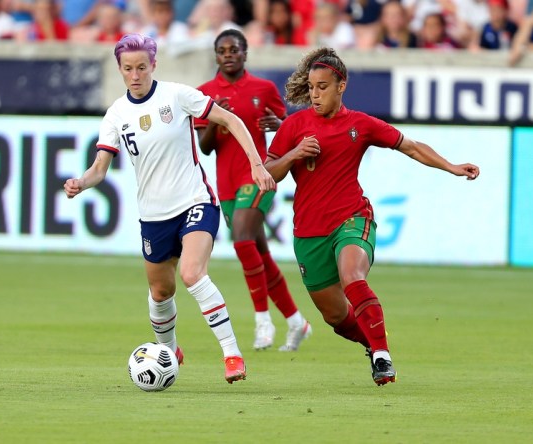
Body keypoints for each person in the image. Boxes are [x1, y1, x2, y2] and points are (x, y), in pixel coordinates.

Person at [64, 33, 276, 384]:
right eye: (128, 68)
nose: (135, 75)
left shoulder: (177, 95)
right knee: (161, 292)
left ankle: (232, 354)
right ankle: (169, 351)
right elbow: (100, 167)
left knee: (192, 273)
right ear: (119, 69)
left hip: (195, 201)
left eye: (142, 67)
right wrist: (81, 182)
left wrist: (256, 163)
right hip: (153, 215)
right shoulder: (116, 113)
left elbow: (231, 121)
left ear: (154, 65)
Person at [264, 47, 479, 386]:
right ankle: (373, 345)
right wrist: (293, 154)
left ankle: (382, 355)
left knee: (353, 276)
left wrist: (451, 167)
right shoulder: (294, 126)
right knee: (335, 316)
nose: (315, 94)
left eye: (323, 86)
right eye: (311, 87)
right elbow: (267, 175)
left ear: (341, 86)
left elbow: (410, 145)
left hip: (352, 218)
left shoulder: (360, 125)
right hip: (309, 232)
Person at [195, 29, 311, 352]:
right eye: (222, 50)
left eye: (235, 49)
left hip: (259, 174)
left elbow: (287, 127)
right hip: (228, 184)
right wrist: (215, 117)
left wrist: (277, 125)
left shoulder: (264, 89)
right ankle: (296, 321)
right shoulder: (204, 94)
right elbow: (205, 148)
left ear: (246, 53)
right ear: (216, 56)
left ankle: (263, 321)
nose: (228, 54)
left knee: (242, 239)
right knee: (259, 254)